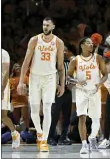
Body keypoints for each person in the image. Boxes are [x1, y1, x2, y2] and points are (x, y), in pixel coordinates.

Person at [17, 17, 65, 152]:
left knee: (48, 108)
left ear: (53, 27)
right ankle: (39, 132)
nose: (45, 27)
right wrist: (21, 81)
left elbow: (60, 66)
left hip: (50, 77)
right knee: (34, 109)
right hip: (34, 77)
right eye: (44, 25)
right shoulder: (34, 40)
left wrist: (61, 84)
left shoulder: (58, 42)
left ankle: (44, 139)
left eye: (48, 25)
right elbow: (26, 62)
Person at [67, 37, 108, 154]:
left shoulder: (98, 58)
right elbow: (68, 76)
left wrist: (100, 83)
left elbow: (105, 74)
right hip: (81, 91)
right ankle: (84, 144)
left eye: (91, 43)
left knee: (96, 119)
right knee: (82, 116)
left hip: (94, 91)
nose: (91, 45)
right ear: (82, 45)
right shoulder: (75, 60)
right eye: (88, 43)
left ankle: (92, 137)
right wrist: (77, 81)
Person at [48, 46, 73, 146]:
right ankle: (50, 137)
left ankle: (63, 137)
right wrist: (57, 86)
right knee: (54, 116)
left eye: (65, 51)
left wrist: (72, 83)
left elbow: (71, 76)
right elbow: (50, 76)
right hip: (56, 92)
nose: (64, 52)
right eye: (62, 51)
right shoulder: (52, 64)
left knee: (67, 116)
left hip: (67, 91)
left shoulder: (69, 63)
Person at [2, 49, 20, 149]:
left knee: (3, 115)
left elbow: (5, 73)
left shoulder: (4, 53)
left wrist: (1, 90)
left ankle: (14, 133)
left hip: (2, 86)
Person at [10, 63, 30, 132]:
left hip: (24, 100)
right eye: (16, 67)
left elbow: (29, 87)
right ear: (14, 69)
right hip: (15, 101)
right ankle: (17, 135)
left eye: (19, 66)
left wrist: (27, 90)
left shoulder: (25, 77)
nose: (18, 68)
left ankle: (26, 132)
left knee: (25, 117)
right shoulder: (10, 79)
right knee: (16, 120)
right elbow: (9, 91)